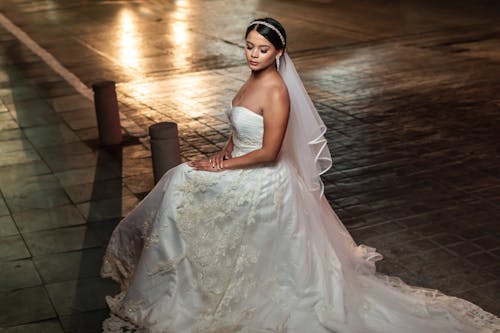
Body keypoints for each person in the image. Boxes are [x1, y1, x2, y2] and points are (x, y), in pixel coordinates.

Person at [101, 18, 499, 333]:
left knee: (181, 184)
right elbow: (241, 130)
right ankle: (181, 281)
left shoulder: (276, 89)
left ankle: (189, 286)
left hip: (263, 175)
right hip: (242, 162)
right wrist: (220, 152)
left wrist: (222, 166)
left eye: (263, 49)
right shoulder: (251, 78)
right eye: (249, 46)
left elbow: (270, 152)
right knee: (179, 179)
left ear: (278, 52)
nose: (253, 55)